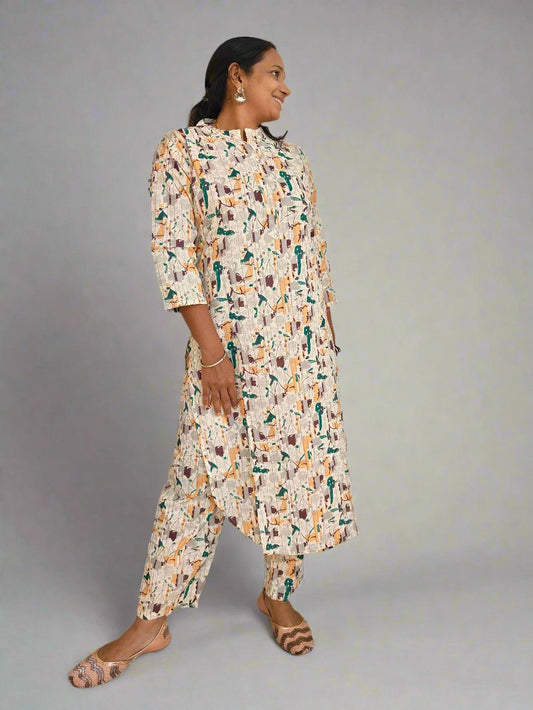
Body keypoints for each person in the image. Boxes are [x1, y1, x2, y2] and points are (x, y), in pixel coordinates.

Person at [68, 35, 359, 688]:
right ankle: (150, 623)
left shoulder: (292, 162)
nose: (285, 86)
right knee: (196, 481)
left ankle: (277, 595)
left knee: (292, 475)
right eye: (274, 73)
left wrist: (325, 345)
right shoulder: (183, 151)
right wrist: (212, 354)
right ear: (237, 77)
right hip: (228, 352)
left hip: (301, 353)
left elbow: (312, 256)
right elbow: (176, 258)